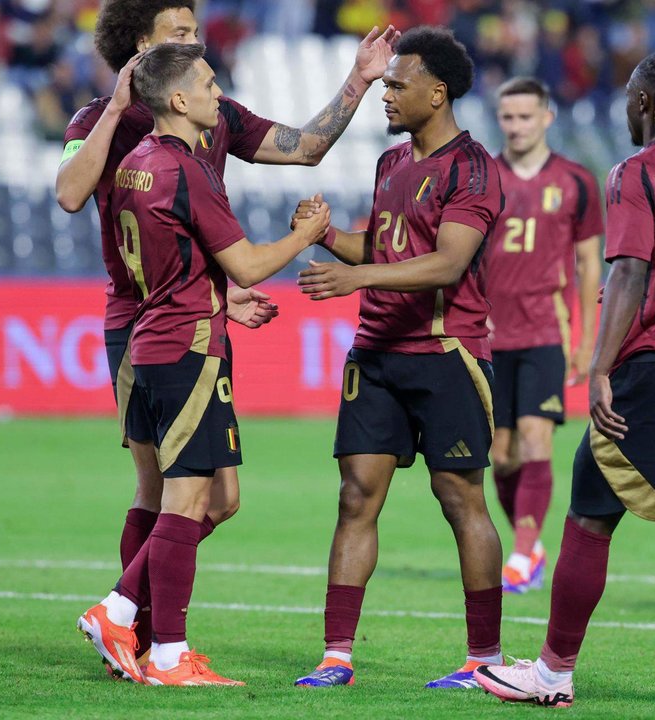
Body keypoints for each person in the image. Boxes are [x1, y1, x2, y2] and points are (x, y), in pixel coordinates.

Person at [56, 0, 396, 661]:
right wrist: (110, 108)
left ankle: (127, 618)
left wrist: (358, 79)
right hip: (143, 319)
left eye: (193, 30)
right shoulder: (98, 125)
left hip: (196, 307)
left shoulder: (214, 115)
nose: (194, 41)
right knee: (168, 489)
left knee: (220, 495)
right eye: (177, 34)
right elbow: (70, 192)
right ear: (141, 48)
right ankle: (146, 637)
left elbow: (307, 146)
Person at [474, 50, 655, 714]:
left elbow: (628, 272)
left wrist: (601, 365)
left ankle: (551, 672)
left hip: (653, 367)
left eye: (634, 93)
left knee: (588, 519)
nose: (626, 104)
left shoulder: (637, 172)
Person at [76, 42, 332, 686]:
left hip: (151, 340)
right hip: (188, 347)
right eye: (211, 85)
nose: (221, 94)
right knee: (188, 499)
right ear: (180, 100)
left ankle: (131, 617)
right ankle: (154, 641)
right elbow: (245, 262)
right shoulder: (187, 169)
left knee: (203, 498)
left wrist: (221, 297)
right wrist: (305, 235)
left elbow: (171, 263)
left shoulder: (135, 162)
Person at [289, 26, 505, 691]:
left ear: (436, 94)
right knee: (355, 497)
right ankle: (336, 657)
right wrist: (328, 237)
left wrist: (355, 280)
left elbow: (447, 263)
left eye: (396, 85)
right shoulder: (392, 164)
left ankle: (483, 660)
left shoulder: (472, 167)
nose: (385, 94)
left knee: (459, 496)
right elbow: (381, 254)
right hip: (376, 355)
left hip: (446, 354)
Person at [483, 77, 603, 594]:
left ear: (547, 118)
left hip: (544, 333)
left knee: (536, 437)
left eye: (525, 117)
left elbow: (590, 266)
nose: (516, 126)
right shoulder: (483, 177)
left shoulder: (576, 181)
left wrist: (585, 341)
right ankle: (529, 545)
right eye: (508, 118)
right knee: (500, 454)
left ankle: (523, 550)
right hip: (488, 336)